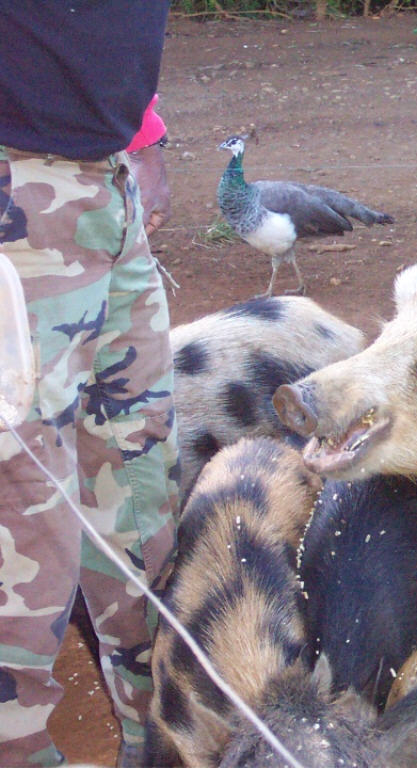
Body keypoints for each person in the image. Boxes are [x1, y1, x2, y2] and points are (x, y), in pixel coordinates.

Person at [0, 3, 180, 766]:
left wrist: (141, 131)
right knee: (23, 524)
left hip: (106, 182)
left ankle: (162, 744)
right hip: (15, 194)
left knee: (141, 492)